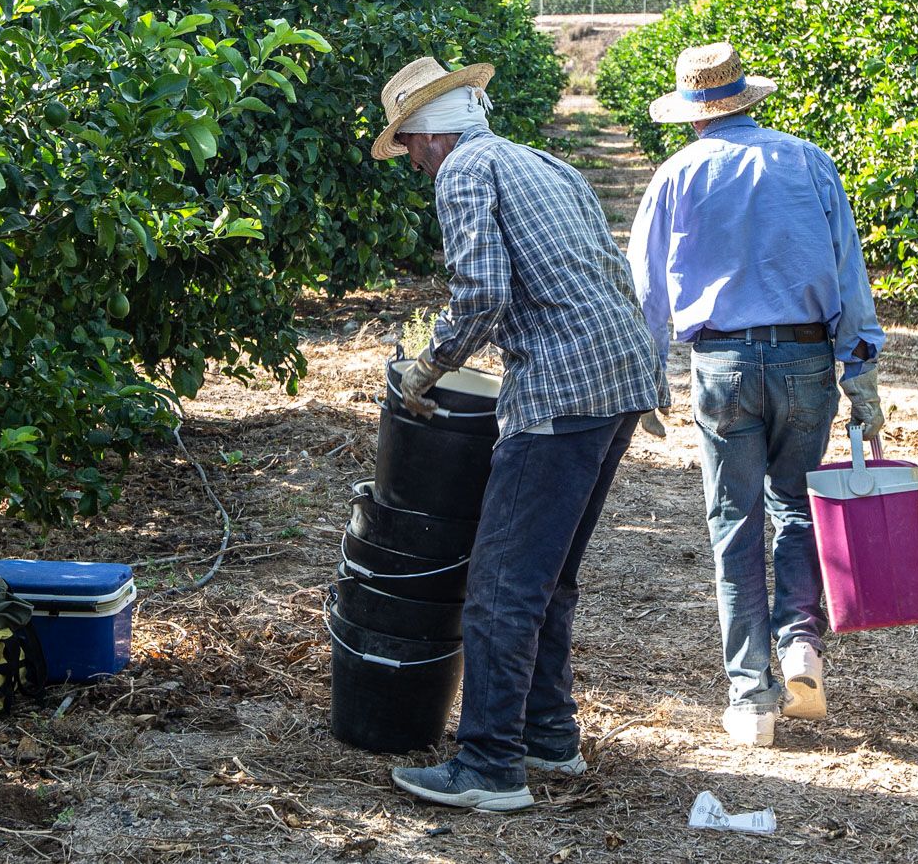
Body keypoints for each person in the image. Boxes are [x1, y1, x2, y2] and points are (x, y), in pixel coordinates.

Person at [370, 56, 665, 813]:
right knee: (548, 574)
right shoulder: (543, 162)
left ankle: (490, 764)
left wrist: (426, 369)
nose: (410, 159)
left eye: (407, 145)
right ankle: (548, 734)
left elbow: (482, 294)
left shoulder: (462, 170)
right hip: (620, 377)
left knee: (501, 582)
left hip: (561, 392)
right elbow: (606, 268)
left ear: (427, 134)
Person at [627, 42, 886, 747]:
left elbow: (646, 289)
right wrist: (859, 368)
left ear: (691, 114)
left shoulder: (675, 174)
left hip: (723, 363)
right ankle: (801, 644)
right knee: (797, 509)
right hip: (806, 358)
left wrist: (648, 375)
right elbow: (847, 269)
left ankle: (750, 699)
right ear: (748, 98)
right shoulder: (807, 159)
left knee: (733, 521)